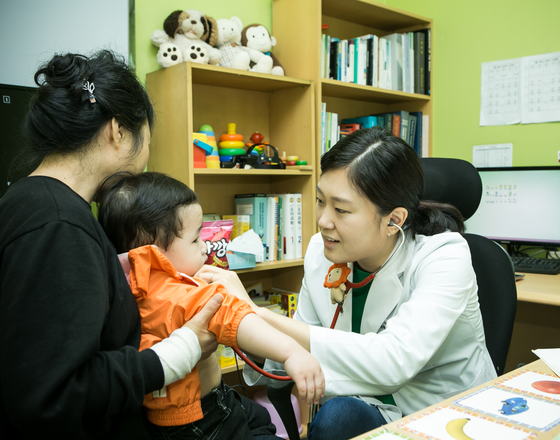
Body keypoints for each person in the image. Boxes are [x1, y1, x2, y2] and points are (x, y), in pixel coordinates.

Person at [198, 127, 497, 440]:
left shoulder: (444, 256)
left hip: (444, 413)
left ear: (393, 220)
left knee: (338, 416)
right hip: (366, 407)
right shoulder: (320, 251)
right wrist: (242, 328)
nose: (324, 220)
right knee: (325, 417)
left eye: (341, 209)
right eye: (320, 200)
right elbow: (301, 343)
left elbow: (392, 363)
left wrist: (256, 314)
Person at [0, 51, 225, 440]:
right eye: (147, 142)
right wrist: (179, 352)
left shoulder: (31, 203)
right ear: (118, 131)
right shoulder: (56, 223)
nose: (145, 162)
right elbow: (53, 395)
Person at [96, 171, 325, 440]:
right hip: (204, 419)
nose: (205, 247)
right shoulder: (179, 296)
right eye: (195, 240)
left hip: (175, 418)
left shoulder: (120, 284)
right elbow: (235, 317)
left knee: (258, 417)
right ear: (154, 252)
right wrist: (291, 353)